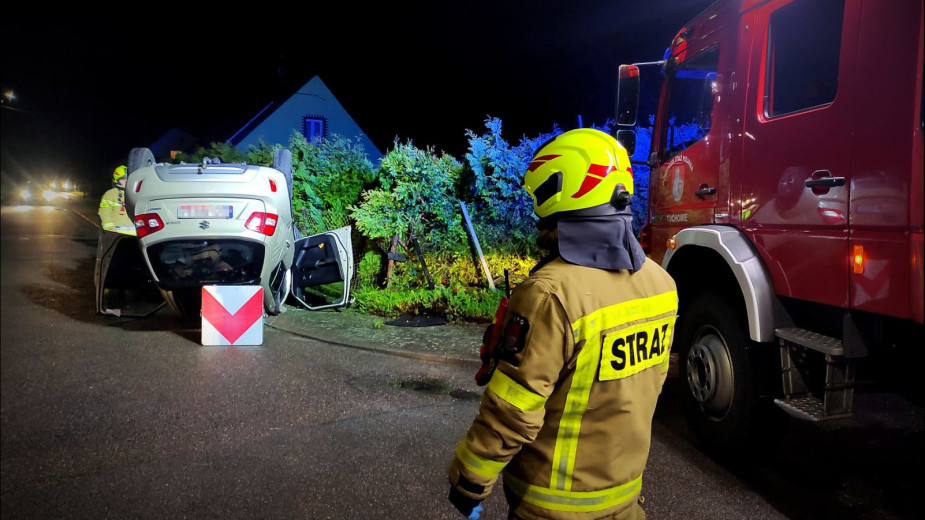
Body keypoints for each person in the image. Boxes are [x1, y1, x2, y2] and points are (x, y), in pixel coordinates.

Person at [447, 128, 679, 520]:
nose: (538, 210)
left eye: (541, 197)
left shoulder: (549, 294)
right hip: (625, 499)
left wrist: (469, 481)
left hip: (554, 504)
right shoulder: (662, 285)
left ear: (562, 190)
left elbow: (513, 409)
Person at [98, 165, 136, 235]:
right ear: (117, 180)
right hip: (116, 236)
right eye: (123, 179)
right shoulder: (109, 194)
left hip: (135, 237)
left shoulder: (137, 193)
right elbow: (104, 213)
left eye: (128, 178)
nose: (126, 181)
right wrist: (111, 230)